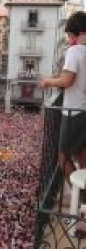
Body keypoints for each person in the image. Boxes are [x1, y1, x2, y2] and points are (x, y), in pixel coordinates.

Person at [40, 11, 86, 183]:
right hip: (84, 109)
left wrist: (48, 82)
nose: (67, 39)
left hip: (74, 112)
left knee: (63, 158)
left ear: (78, 33)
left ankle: (80, 194)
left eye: (68, 34)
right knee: (83, 154)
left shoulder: (74, 52)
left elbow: (67, 80)